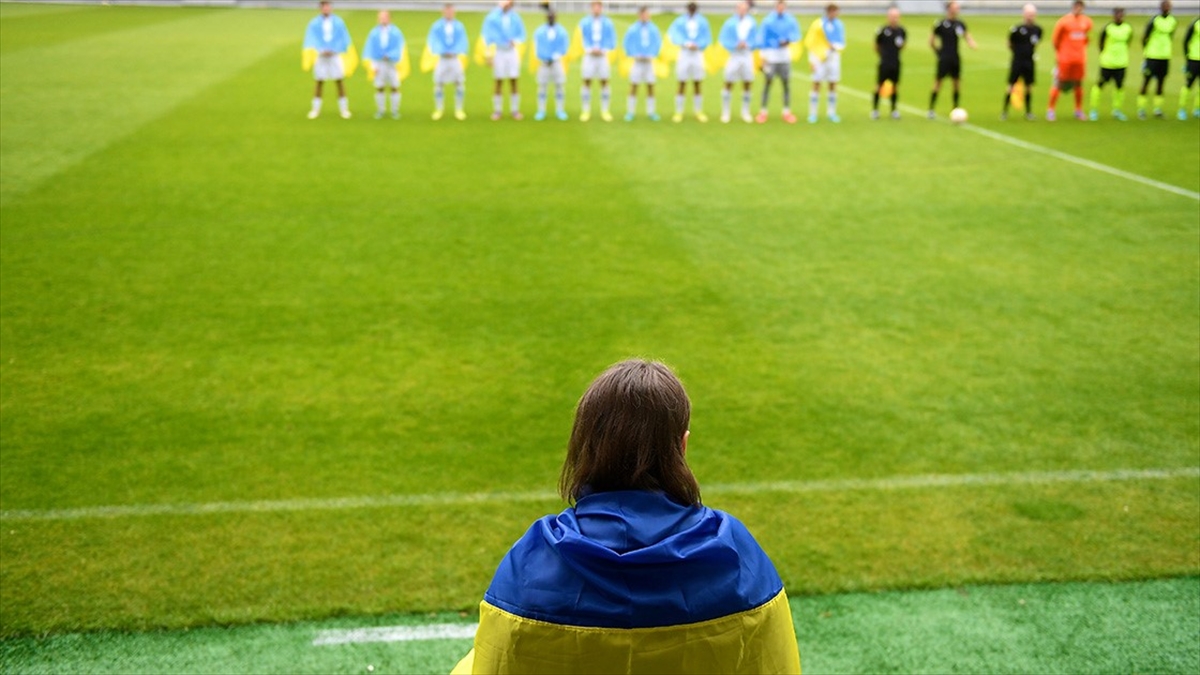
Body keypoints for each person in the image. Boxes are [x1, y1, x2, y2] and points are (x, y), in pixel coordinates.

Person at [450, 360, 803, 675]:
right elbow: (775, 664)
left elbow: (495, 664)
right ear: (682, 446)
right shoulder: (738, 556)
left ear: (584, 445)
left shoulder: (531, 562)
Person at [302, 1, 354, 120]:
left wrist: (335, 49)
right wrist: (320, 50)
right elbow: (311, 38)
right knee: (319, 81)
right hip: (321, 55)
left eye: (327, 6)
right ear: (320, 8)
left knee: (339, 80)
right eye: (324, 7)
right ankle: (315, 109)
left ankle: (344, 109)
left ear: (331, 8)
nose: (326, 9)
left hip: (334, 55)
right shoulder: (314, 23)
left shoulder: (339, 22)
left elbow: (343, 37)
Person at [928, 1, 977, 120]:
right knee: (938, 82)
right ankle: (931, 109)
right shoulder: (940, 24)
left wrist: (971, 43)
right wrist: (938, 52)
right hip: (944, 57)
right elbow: (931, 41)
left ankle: (955, 108)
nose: (957, 10)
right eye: (955, 8)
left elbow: (967, 35)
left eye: (958, 8)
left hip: (955, 57)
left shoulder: (960, 24)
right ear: (949, 9)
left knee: (956, 83)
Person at [1046, 0, 1092, 121]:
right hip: (1065, 59)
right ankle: (1051, 109)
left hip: (1079, 59)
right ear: (1073, 7)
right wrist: (1060, 55)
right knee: (1059, 83)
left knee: (1078, 83)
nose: (1078, 8)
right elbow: (1055, 41)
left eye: (1080, 6)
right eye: (1076, 6)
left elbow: (1086, 38)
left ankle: (1078, 110)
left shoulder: (1086, 22)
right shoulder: (1063, 22)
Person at [757, 1, 802, 124]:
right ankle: (763, 111)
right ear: (776, 7)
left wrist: (788, 40)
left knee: (786, 84)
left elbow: (796, 35)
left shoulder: (790, 20)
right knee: (767, 83)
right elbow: (762, 38)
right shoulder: (768, 20)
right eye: (779, 6)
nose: (781, 9)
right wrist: (762, 57)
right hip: (771, 56)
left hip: (784, 56)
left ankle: (786, 111)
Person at [668, 2, 713, 123]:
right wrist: (686, 43)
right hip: (685, 52)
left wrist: (698, 44)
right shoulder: (680, 21)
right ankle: (679, 111)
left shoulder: (703, 21)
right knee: (682, 81)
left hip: (697, 52)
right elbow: (674, 34)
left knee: (697, 82)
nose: (692, 10)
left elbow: (707, 36)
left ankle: (698, 111)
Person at [481, 1, 526, 121]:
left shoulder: (515, 18)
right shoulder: (492, 17)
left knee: (514, 79)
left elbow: (521, 35)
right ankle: (497, 110)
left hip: (511, 51)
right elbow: (487, 36)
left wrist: (515, 41)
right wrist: (488, 54)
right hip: (499, 51)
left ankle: (515, 110)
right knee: (498, 80)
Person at [1089, 6, 1133, 121]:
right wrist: (1105, 55)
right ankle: (1094, 110)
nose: (1119, 16)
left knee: (1119, 86)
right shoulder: (1107, 28)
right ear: (1113, 16)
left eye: (1121, 14)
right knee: (1100, 85)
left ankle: (1117, 110)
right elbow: (1100, 43)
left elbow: (1128, 42)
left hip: (1121, 63)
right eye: (1117, 14)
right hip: (1107, 63)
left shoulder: (1128, 28)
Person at [718, 1, 759, 124]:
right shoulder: (730, 23)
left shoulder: (751, 23)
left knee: (747, 82)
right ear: (736, 9)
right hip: (734, 54)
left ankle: (745, 111)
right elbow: (723, 39)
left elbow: (756, 39)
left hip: (746, 54)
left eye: (744, 8)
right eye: (740, 8)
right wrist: (735, 45)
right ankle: (725, 112)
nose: (742, 10)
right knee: (729, 81)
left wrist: (748, 44)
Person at [575, 2, 617, 122]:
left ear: (601, 8)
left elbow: (612, 39)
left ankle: (605, 110)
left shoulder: (608, 23)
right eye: (594, 7)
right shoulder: (584, 22)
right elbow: (579, 38)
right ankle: (585, 110)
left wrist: (604, 49)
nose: (596, 9)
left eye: (599, 7)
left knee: (604, 81)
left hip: (603, 55)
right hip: (589, 55)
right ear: (591, 8)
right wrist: (589, 49)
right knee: (586, 81)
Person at [427, 4, 469, 121]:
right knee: (439, 83)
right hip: (442, 59)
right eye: (447, 11)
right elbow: (433, 40)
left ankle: (459, 109)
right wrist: (441, 50)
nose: (449, 14)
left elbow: (463, 40)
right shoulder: (436, 26)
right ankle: (439, 109)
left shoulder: (459, 26)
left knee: (459, 83)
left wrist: (455, 50)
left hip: (455, 59)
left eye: (451, 11)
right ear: (443, 12)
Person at [804, 3, 845, 124]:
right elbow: (811, 42)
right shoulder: (818, 24)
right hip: (819, 57)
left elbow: (841, 41)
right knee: (816, 83)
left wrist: (835, 46)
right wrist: (812, 59)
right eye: (832, 11)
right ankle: (813, 113)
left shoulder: (839, 25)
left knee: (832, 83)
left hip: (833, 56)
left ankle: (831, 112)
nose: (834, 14)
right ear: (828, 12)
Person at [362, 10, 407, 120]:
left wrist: (392, 56)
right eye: (381, 17)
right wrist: (373, 65)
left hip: (392, 63)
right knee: (379, 87)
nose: (382, 19)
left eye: (385, 17)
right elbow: (370, 49)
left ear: (390, 18)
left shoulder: (396, 32)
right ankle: (381, 110)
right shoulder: (374, 33)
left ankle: (394, 110)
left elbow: (400, 48)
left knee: (395, 86)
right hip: (379, 63)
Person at [623, 6, 664, 122]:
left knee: (650, 85)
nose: (645, 17)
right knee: (634, 85)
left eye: (647, 14)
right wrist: (634, 54)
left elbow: (657, 43)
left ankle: (651, 111)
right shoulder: (633, 29)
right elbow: (627, 43)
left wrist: (653, 54)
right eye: (643, 14)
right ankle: (630, 111)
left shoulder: (653, 29)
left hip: (649, 61)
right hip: (637, 61)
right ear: (639, 15)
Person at [1138, 0, 1177, 119]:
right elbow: (1144, 37)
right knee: (1146, 82)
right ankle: (1141, 110)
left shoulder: (1173, 21)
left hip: (1164, 56)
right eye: (1164, 6)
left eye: (1168, 6)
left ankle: (1157, 110)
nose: (1166, 8)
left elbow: (1171, 36)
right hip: (1152, 56)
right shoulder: (1154, 20)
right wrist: (1147, 51)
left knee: (1161, 83)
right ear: (1160, 7)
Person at [1002, 4, 1042, 121]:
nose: (1030, 17)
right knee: (1011, 85)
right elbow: (1009, 43)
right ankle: (1005, 111)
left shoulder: (1038, 30)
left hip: (1029, 61)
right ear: (1024, 14)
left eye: (1032, 14)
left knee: (1029, 86)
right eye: (1028, 14)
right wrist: (1017, 52)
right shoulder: (1016, 29)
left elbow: (1036, 43)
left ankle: (1028, 112)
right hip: (1017, 61)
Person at [532, 10, 570, 121]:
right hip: (544, 63)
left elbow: (564, 47)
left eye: (553, 16)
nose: (551, 18)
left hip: (557, 62)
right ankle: (541, 110)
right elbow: (536, 46)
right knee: (542, 86)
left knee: (559, 86)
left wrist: (555, 56)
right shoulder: (539, 31)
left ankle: (560, 110)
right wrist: (543, 57)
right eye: (549, 16)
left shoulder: (562, 31)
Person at [872, 6, 906, 120]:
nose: (894, 19)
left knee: (895, 86)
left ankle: (893, 110)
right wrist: (883, 56)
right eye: (892, 16)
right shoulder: (882, 30)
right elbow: (876, 46)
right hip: (884, 62)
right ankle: (875, 110)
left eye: (896, 16)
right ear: (888, 17)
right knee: (879, 85)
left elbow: (902, 46)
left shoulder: (902, 31)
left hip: (896, 62)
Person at [1180, 18, 1200, 120]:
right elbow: (1185, 41)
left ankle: (1197, 109)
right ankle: (1182, 109)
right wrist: (1187, 57)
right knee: (1189, 84)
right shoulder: (1195, 23)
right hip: (1194, 59)